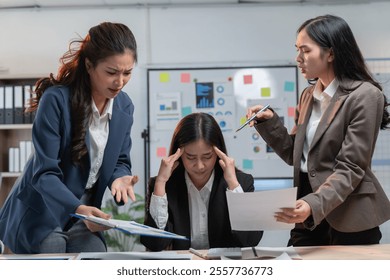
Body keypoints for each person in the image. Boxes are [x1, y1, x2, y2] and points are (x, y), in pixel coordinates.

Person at [247, 14, 390, 246]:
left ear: (331, 53)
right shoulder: (308, 96)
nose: (298, 58)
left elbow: (351, 167)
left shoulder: (364, 96)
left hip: (349, 213)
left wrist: (313, 203)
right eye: (297, 50)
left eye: (305, 50)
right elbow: (296, 155)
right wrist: (270, 122)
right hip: (307, 208)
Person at [0, 22, 139, 254]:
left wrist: (119, 178)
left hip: (84, 212)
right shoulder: (56, 100)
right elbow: (44, 173)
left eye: (128, 72)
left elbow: (120, 161)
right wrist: (78, 208)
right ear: (89, 65)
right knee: (53, 254)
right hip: (43, 207)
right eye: (111, 72)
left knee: (94, 256)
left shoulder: (124, 106)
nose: (120, 82)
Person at [141, 112, 263, 251]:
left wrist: (233, 184)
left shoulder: (241, 182)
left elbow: (250, 240)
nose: (200, 166)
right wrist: (161, 182)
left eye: (207, 156)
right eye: (191, 157)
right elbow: (154, 244)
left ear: (218, 153)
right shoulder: (163, 186)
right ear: (179, 155)